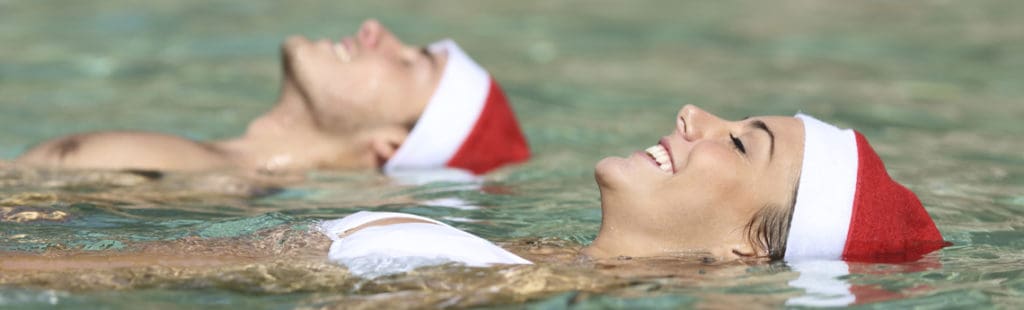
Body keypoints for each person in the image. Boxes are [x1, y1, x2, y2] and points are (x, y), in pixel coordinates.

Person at [0, 105, 948, 278]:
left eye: (743, 142)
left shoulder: (501, 286)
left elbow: (124, 276)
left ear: (752, 245)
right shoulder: (530, 265)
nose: (695, 113)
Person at [12, 19, 530, 176]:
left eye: (412, 61)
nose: (376, 29)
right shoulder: (210, 173)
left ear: (392, 145)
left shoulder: (212, 195)